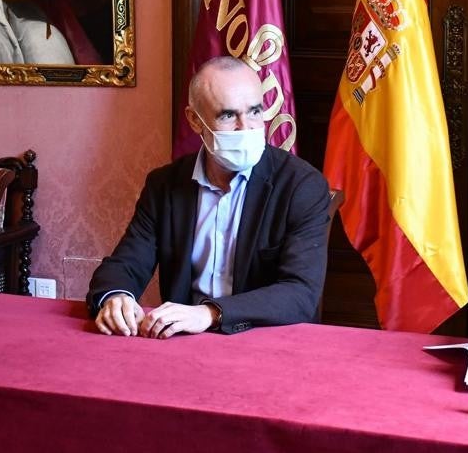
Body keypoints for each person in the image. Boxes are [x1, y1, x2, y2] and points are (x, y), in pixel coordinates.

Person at [87, 56, 330, 338]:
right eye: (228, 115)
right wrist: (116, 297)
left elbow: (300, 293)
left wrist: (210, 313)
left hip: (266, 340)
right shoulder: (165, 185)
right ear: (194, 120)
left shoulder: (301, 186)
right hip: (184, 342)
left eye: (254, 111)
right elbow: (125, 264)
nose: (246, 127)